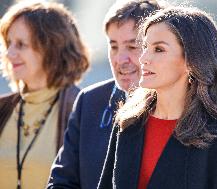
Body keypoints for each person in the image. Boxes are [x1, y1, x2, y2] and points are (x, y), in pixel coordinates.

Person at [98, 6, 217, 189]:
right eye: (145, 47)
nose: (144, 58)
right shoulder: (128, 121)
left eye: (158, 49)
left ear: (191, 61)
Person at [47, 1, 163, 189]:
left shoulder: (183, 107)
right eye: (114, 46)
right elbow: (61, 181)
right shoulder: (89, 101)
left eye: (132, 47)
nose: (120, 60)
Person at [0, 1, 89, 188]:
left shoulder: (83, 108)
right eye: (8, 44)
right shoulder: (3, 108)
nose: (9, 53)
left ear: (51, 48)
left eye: (21, 45)